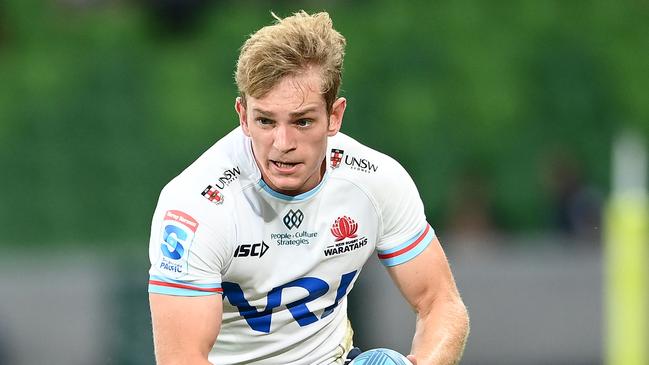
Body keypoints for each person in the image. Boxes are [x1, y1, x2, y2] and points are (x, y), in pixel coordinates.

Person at [148, 10, 469, 365]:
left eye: (302, 121)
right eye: (265, 121)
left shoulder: (376, 181)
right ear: (242, 116)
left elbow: (441, 303)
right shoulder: (195, 207)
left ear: (334, 116)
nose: (282, 142)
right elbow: (181, 359)